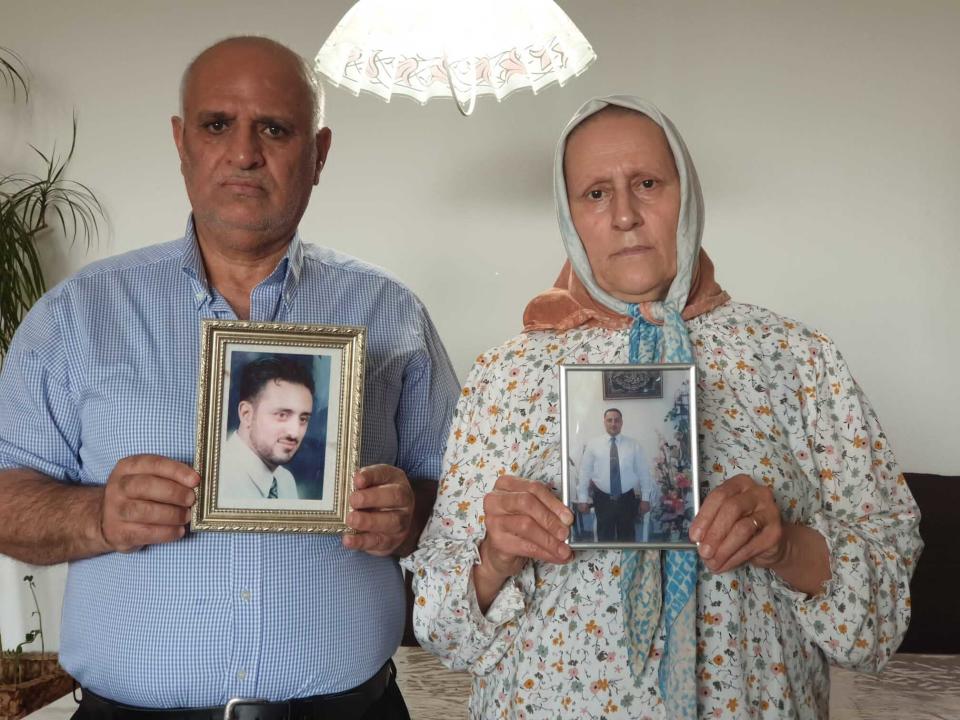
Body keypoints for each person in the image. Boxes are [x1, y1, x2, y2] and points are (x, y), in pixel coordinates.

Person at [405, 96, 921, 719]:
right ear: (569, 216)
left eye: (647, 183)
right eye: (595, 193)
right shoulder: (503, 376)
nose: (624, 215)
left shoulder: (796, 359)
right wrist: (494, 558)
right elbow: (439, 626)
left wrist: (787, 547)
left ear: (687, 193)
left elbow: (884, 617)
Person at [0, 36, 458, 718]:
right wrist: (96, 514)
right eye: (218, 125)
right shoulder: (77, 316)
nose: (245, 152)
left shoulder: (390, 314)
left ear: (319, 153)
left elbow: (461, 495)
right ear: (182, 142)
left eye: (275, 128)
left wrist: (410, 513)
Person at [220, 355, 316, 502]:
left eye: (303, 419)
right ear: (246, 414)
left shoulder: (285, 481)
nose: (294, 432)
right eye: (282, 415)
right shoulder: (218, 479)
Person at [576, 408, 654, 541]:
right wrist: (582, 499)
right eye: (609, 420)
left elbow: (643, 473)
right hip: (603, 499)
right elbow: (585, 472)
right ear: (604, 422)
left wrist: (645, 498)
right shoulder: (593, 445)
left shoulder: (634, 445)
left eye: (617, 420)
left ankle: (627, 561)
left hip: (627, 499)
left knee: (627, 537)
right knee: (604, 539)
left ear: (621, 422)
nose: (613, 424)